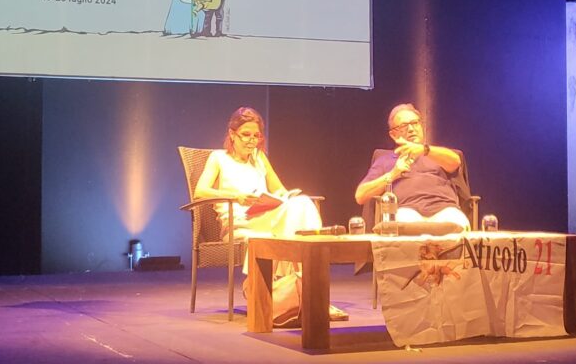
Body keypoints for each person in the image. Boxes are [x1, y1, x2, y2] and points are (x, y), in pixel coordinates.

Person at [194, 107, 347, 324]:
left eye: (256, 136)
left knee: (302, 202)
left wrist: (285, 196)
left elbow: (279, 190)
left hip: (266, 217)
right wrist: (236, 197)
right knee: (299, 209)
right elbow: (200, 191)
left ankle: (304, 288)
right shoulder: (218, 158)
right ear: (232, 134)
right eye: (246, 135)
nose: (251, 141)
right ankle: (308, 293)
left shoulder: (259, 158)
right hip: (239, 222)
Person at [355, 103, 470, 228]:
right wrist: (393, 174)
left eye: (414, 123)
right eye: (403, 126)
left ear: (421, 127)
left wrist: (424, 150)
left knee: (456, 223)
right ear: (393, 134)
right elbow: (360, 196)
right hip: (406, 212)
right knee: (403, 222)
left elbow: (456, 161)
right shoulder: (385, 159)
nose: (411, 129)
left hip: (445, 210)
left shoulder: (436, 154)